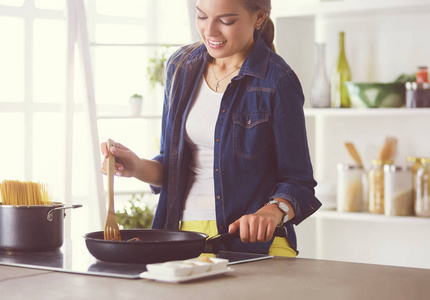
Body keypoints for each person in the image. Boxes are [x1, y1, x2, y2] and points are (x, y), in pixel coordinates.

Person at [101, 0, 321, 257]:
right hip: (180, 238)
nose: (210, 31)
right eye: (202, 17)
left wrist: (272, 211)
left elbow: (299, 182)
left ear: (259, 17)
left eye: (226, 21)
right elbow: (173, 166)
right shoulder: (181, 67)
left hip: (251, 245)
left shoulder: (277, 80)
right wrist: (136, 167)